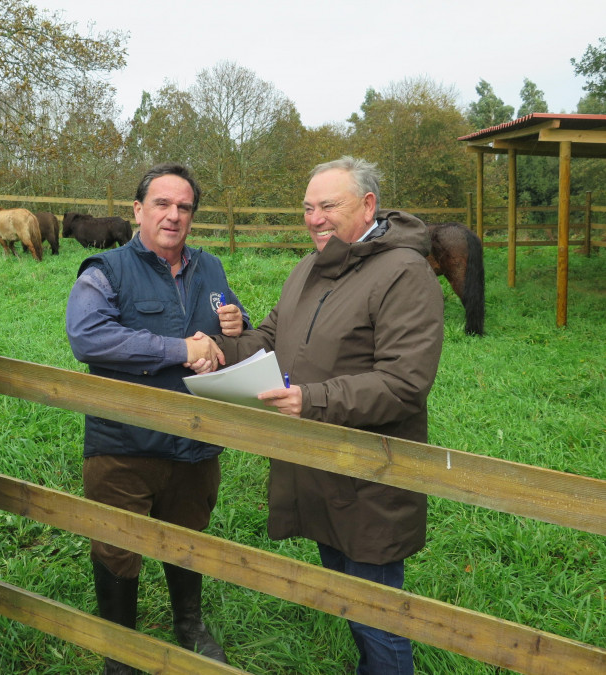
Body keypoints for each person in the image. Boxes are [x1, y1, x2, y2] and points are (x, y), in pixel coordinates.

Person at [212, 156, 444, 675]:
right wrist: (221, 350)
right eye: (307, 208)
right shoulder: (310, 267)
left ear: (367, 205)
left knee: (376, 616)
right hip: (316, 467)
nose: (314, 218)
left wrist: (310, 400)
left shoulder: (404, 274)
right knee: (346, 594)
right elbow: (271, 338)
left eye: (327, 206)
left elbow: (404, 384)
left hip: (369, 479)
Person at [65, 162, 249, 674]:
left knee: (188, 538)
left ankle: (187, 625)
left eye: (184, 207)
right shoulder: (105, 270)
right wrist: (178, 348)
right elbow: (87, 337)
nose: (173, 215)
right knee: (117, 547)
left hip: (195, 441)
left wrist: (237, 323)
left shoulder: (210, 268)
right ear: (138, 210)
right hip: (124, 444)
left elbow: (229, 324)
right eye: (162, 204)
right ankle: (121, 651)